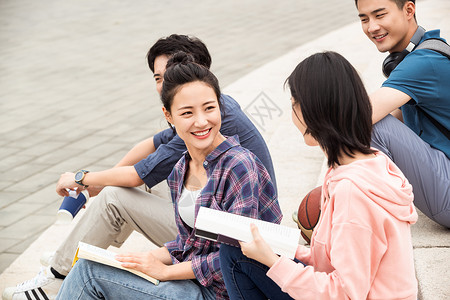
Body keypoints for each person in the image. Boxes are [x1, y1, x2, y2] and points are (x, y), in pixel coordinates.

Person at [2, 35, 276, 300]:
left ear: (219, 103)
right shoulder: (184, 165)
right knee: (93, 263)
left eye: (209, 108)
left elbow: (237, 257)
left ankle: (58, 276)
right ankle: (71, 263)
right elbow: (187, 242)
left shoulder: (237, 164)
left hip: (224, 291)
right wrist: (142, 259)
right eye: (159, 78)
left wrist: (165, 271)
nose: (201, 121)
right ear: (168, 115)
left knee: (89, 271)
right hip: (199, 271)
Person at [219, 51, 419, 299]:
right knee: (237, 247)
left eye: (294, 104)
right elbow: (335, 257)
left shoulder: (352, 192)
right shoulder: (370, 163)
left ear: (316, 110)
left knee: (233, 256)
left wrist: (272, 261)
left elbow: (344, 293)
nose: (293, 115)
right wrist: (286, 249)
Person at [356, 0, 450, 227]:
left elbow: (353, 120)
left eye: (380, 15)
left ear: (409, 10)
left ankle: (358, 216)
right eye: (364, 18)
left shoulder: (422, 63)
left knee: (372, 126)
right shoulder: (430, 49)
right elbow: (396, 117)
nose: (372, 27)